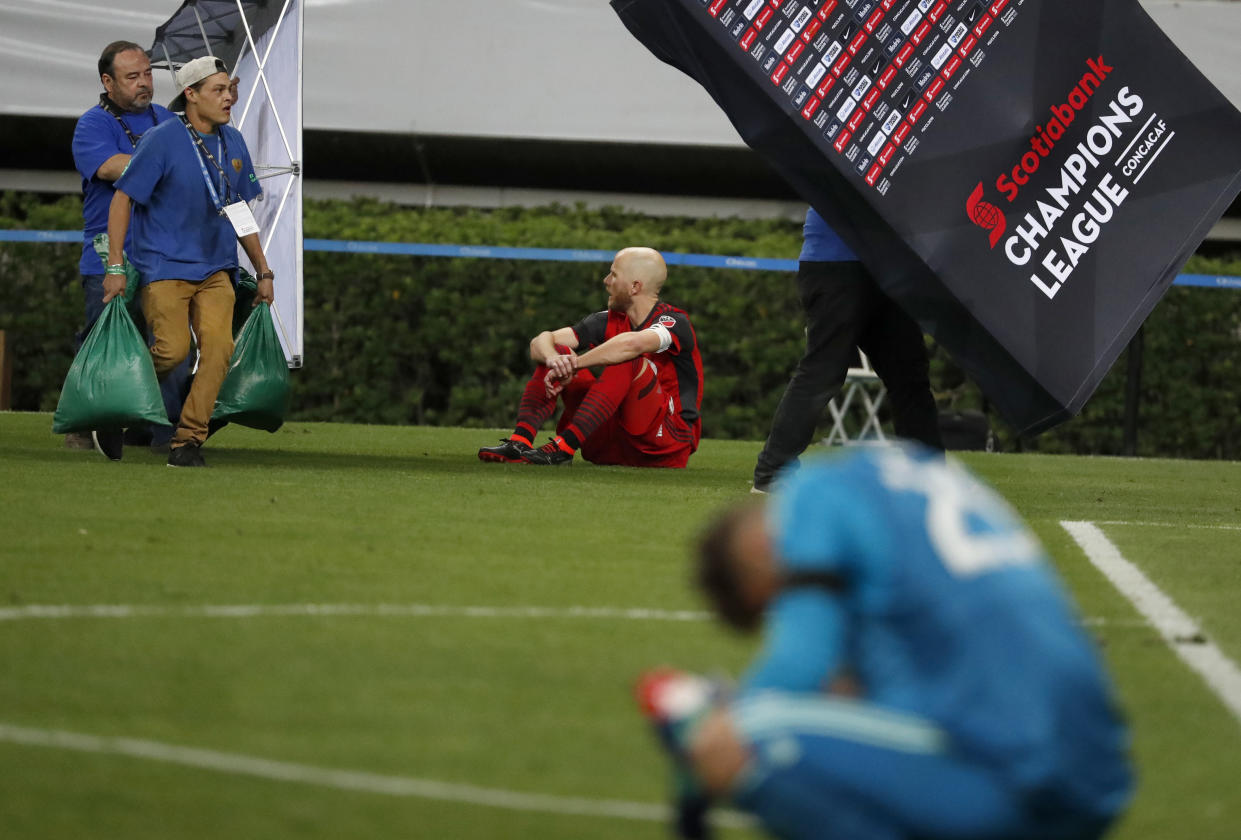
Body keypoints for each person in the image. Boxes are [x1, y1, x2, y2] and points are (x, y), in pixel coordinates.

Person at [639, 444, 1133, 840]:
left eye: (775, 604)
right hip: (1094, 779)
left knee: (743, 735)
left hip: (1014, 775)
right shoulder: (905, 473)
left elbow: (802, 661)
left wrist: (710, 737)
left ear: (757, 554)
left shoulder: (812, 494)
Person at [104, 55, 275, 468]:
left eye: (229, 89)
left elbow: (237, 209)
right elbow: (123, 197)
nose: (229, 97)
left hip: (217, 268)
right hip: (165, 267)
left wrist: (263, 269)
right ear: (191, 95)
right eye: (218, 90)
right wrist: (113, 267)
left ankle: (187, 441)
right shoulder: (162, 139)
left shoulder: (233, 141)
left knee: (219, 349)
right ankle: (114, 408)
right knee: (173, 350)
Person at [751, 208, 942, 492]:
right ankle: (772, 471)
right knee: (822, 373)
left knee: (909, 376)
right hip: (838, 263)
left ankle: (930, 477)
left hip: (883, 265)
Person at [477, 247, 703, 467]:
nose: (606, 281)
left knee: (628, 358)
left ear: (635, 286)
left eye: (613, 274)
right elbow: (540, 342)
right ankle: (520, 443)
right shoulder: (607, 319)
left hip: (663, 444)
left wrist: (574, 365)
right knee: (559, 351)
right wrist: (556, 360)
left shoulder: (673, 322)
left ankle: (564, 447)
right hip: (611, 444)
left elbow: (630, 344)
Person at [71, 40, 187, 457]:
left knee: (169, 342)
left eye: (147, 74)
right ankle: (85, 423)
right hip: (107, 254)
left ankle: (165, 433)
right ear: (107, 81)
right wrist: (167, 165)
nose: (144, 84)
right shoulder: (92, 124)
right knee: (102, 341)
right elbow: (109, 167)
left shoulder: (168, 118)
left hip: (162, 253)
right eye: (132, 77)